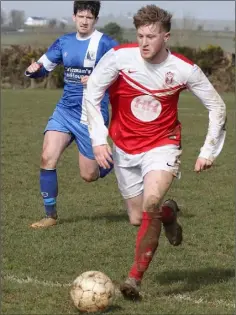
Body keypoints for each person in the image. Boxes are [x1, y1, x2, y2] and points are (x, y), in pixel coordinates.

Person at [84, 4, 227, 300]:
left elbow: (217, 106)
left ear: (166, 37)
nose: (144, 42)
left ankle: (134, 279)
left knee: (150, 204)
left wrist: (208, 150)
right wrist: (99, 140)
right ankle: (169, 214)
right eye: (140, 35)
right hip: (124, 147)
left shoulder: (184, 69)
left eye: (151, 36)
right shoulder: (119, 58)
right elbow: (93, 92)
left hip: (163, 144)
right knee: (138, 218)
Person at [24, 1, 118, 229]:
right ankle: (50, 216)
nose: (85, 21)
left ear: (95, 20)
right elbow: (44, 66)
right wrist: (33, 71)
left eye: (90, 17)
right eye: (81, 16)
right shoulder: (64, 42)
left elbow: (122, 73)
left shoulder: (106, 43)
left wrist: (98, 79)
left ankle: (116, 159)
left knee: (89, 175)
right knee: (47, 157)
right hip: (65, 110)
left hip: (92, 113)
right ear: (74, 17)